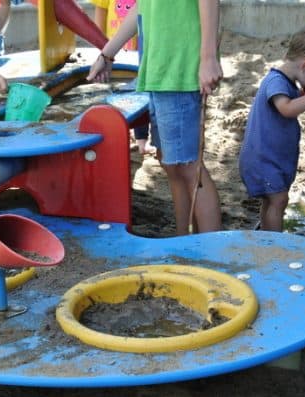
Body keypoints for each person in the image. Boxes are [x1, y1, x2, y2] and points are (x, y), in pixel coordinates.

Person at [87, 0, 224, 235]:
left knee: (189, 167)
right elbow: (142, 5)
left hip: (179, 70)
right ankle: (183, 240)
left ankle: (212, 253)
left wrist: (208, 57)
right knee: (171, 164)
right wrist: (108, 53)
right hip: (158, 72)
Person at [238, 23, 305, 232]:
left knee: (272, 201)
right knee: (278, 200)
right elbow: (286, 108)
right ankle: (275, 244)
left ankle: (265, 235)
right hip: (263, 159)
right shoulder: (276, 82)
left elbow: (297, 100)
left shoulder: (287, 82)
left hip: (270, 158)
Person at [89, 0, 154, 155]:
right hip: (117, 45)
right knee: (132, 92)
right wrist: (104, 48)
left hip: (141, 45)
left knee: (143, 89)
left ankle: (142, 137)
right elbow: (101, 9)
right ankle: (138, 137)